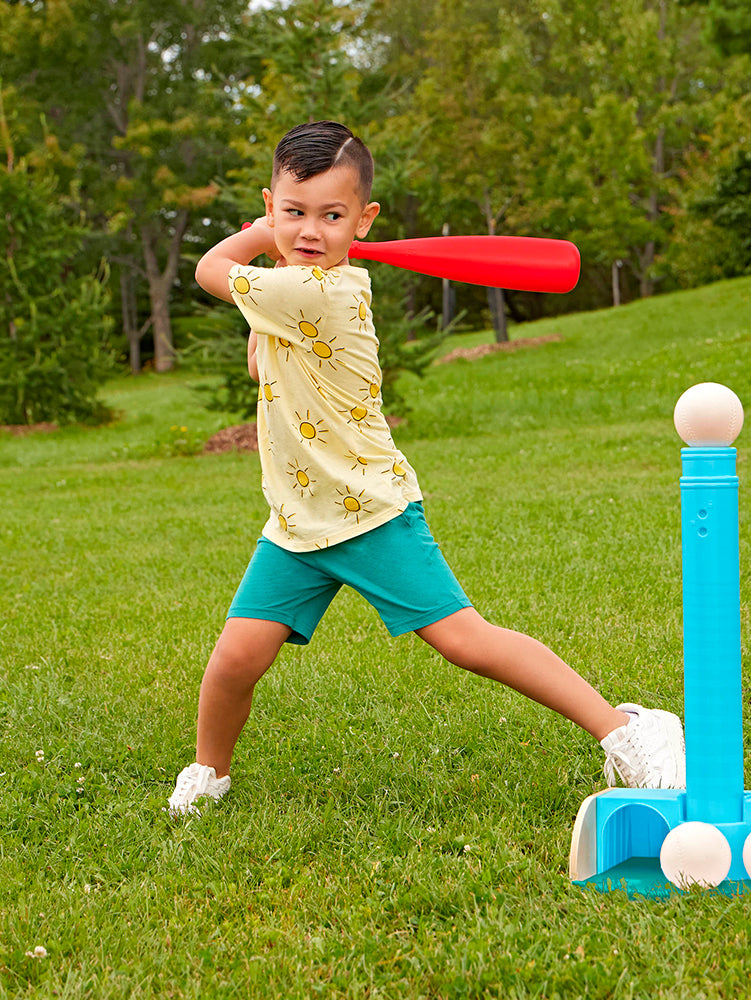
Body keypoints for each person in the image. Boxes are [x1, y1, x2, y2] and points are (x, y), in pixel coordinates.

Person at [168, 121, 684, 816]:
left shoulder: (323, 294)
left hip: (367, 511)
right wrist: (277, 249)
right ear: (274, 199)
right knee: (236, 660)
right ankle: (209, 772)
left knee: (467, 642)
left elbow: (207, 270)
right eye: (296, 211)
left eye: (332, 215)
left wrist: (264, 231)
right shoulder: (291, 290)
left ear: (365, 220)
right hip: (298, 520)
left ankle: (630, 730)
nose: (311, 229)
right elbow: (262, 358)